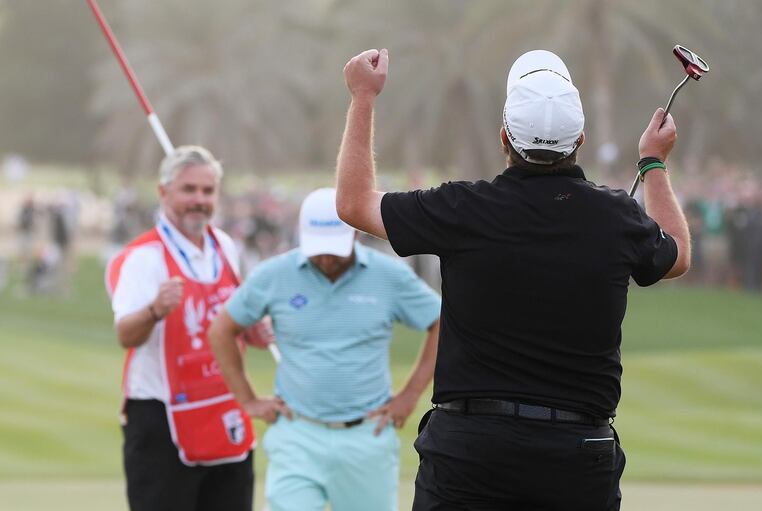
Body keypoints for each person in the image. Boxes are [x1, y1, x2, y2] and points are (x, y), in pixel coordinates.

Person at [335, 48, 690, 510]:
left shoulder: (462, 208)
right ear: (579, 138)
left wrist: (363, 96)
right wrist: (653, 164)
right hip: (577, 456)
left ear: (505, 136)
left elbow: (353, 204)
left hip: (470, 453)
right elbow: (677, 254)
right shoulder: (615, 216)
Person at [208, 187, 441, 511]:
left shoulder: (389, 276)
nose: (327, 257)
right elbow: (222, 329)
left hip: (367, 436)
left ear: (355, 236)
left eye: (335, 248)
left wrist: (410, 395)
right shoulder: (275, 275)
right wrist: (248, 400)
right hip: (296, 434)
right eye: (319, 249)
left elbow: (441, 321)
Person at [105, 145, 269, 511]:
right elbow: (125, 335)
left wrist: (253, 330)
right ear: (164, 193)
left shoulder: (224, 245)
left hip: (223, 407)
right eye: (189, 190)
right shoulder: (143, 258)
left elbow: (232, 317)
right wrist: (154, 310)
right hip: (161, 419)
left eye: (207, 191)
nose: (199, 200)